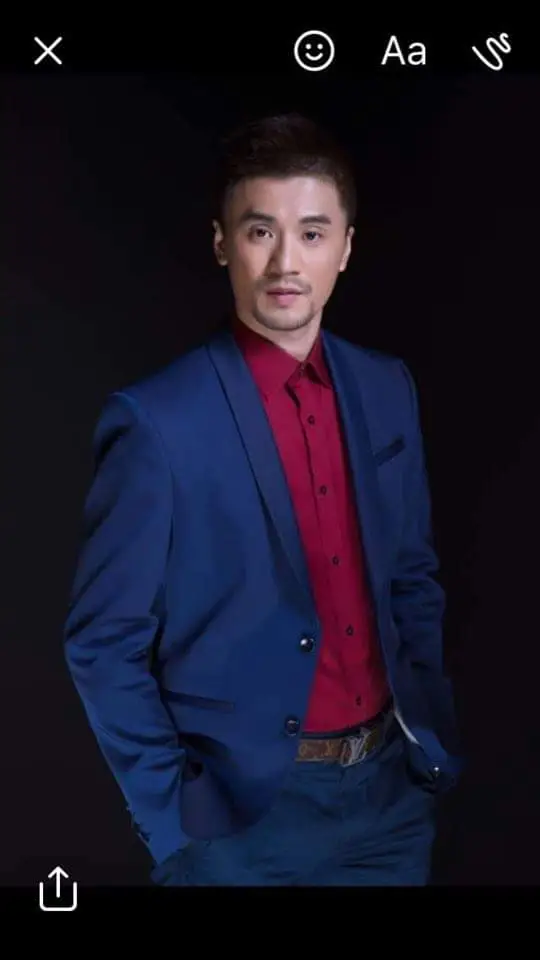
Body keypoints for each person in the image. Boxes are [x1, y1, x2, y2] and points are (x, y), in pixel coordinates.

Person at [63, 113, 462, 886]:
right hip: (241, 823)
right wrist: (175, 825)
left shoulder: (387, 387)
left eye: (312, 233)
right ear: (223, 244)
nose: (286, 261)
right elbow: (101, 642)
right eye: (259, 232)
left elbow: (413, 576)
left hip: (389, 802)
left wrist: (430, 739)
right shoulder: (156, 422)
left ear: (346, 247)